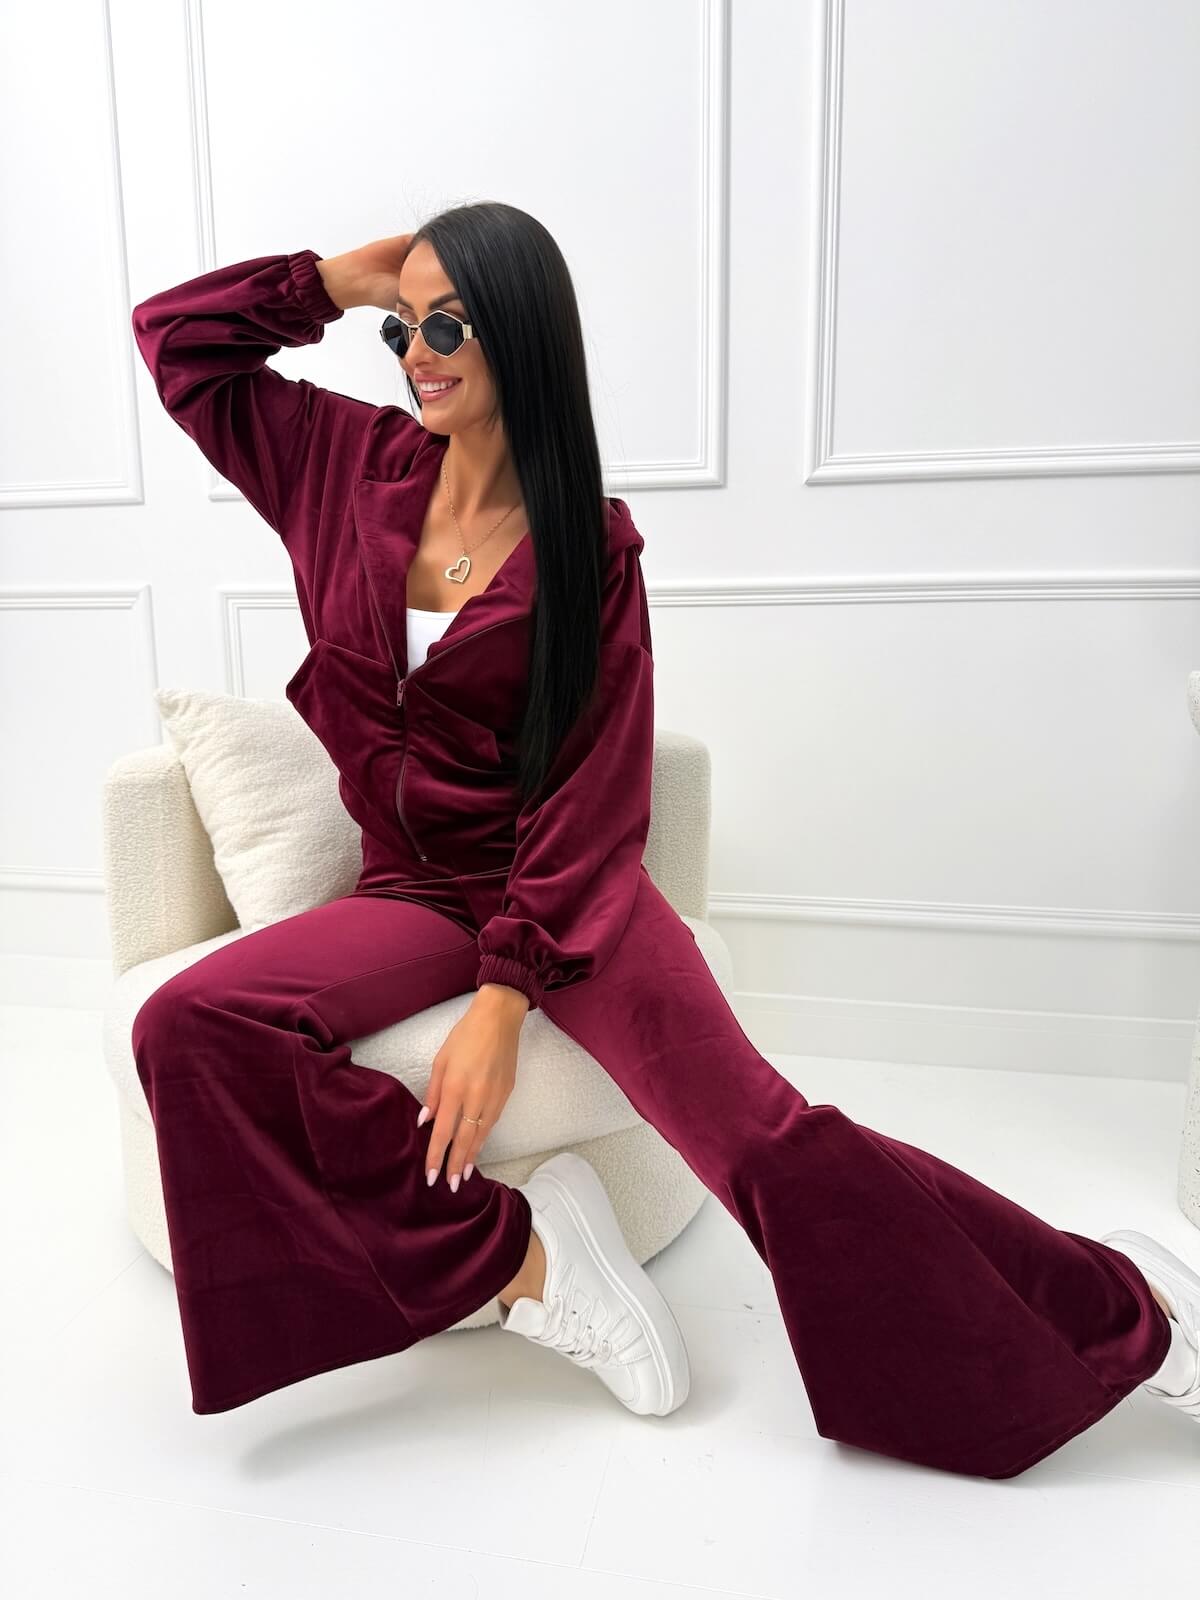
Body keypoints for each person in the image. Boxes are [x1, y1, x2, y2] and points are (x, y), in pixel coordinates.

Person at [128, 201, 1200, 1478]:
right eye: (401, 329)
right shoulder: (338, 466)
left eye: (449, 326)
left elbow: (593, 791)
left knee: (770, 1145)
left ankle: (1129, 1309)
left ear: (523, 334)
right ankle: (526, 1262)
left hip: (569, 899)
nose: (416, 355)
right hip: (413, 890)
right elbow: (176, 342)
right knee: (189, 1026)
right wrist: (334, 279)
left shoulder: (589, 547)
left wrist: (505, 997)